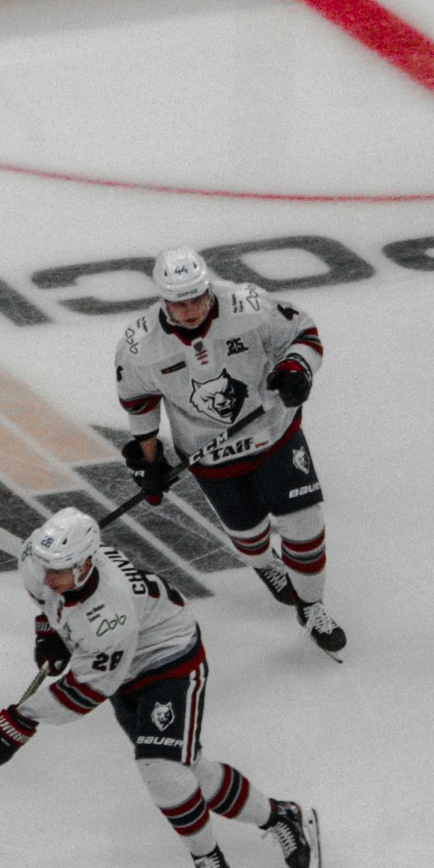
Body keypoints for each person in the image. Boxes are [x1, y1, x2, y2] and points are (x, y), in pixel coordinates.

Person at [0, 503, 316, 868]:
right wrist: (49, 631)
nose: (47, 578)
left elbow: (85, 691)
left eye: (58, 571)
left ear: (85, 567)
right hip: (120, 666)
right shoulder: (42, 564)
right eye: (44, 567)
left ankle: (207, 857)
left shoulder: (109, 615)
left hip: (166, 658)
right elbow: (43, 597)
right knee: (189, 770)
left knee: (160, 768)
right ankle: (280, 816)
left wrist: (18, 720)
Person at [112, 249, 342, 651]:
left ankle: (311, 605)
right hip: (209, 454)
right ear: (162, 300)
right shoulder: (139, 344)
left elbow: (302, 333)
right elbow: (138, 399)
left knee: (305, 524)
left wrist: (296, 369)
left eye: (196, 298)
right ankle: (265, 564)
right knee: (248, 534)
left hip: (274, 433)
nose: (189, 310)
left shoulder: (247, 304)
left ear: (207, 288)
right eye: (178, 302)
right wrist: (148, 461)